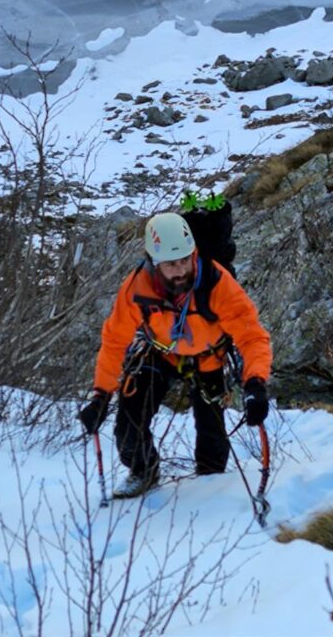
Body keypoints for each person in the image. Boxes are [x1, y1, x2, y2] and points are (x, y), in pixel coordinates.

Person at [79, 211, 272, 498]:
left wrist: (255, 382)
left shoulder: (216, 283)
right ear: (154, 263)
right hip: (159, 354)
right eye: (171, 264)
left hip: (208, 359)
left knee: (213, 441)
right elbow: (114, 341)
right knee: (128, 426)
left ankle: (212, 487)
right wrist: (101, 395)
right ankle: (143, 471)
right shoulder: (137, 288)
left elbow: (252, 336)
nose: (181, 270)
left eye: (185, 260)